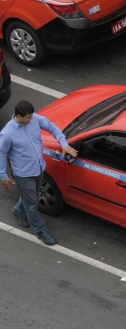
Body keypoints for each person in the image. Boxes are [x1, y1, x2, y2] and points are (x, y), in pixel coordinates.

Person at [0, 101, 77, 245]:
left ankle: (18, 209)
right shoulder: (7, 134)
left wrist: (64, 145)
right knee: (32, 204)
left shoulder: (34, 119)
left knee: (31, 196)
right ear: (18, 116)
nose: (31, 120)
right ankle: (41, 230)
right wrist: (3, 176)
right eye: (28, 118)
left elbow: (52, 128)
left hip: (39, 168)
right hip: (23, 174)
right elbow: (1, 154)